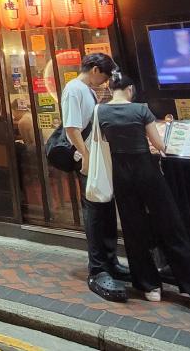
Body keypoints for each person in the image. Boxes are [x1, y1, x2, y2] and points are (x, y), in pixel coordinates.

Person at [97, 74, 190, 311]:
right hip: (147, 171)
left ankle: (149, 286)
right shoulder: (141, 109)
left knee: (133, 228)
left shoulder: (100, 111)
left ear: (110, 88)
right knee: (171, 226)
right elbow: (160, 145)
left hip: (120, 174)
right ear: (130, 89)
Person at [60, 52, 130, 302]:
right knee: (95, 213)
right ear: (94, 69)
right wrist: (86, 155)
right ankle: (98, 268)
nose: (105, 81)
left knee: (105, 210)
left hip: (98, 160)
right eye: (105, 76)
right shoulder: (74, 89)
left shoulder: (87, 90)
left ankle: (110, 261)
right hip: (89, 161)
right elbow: (71, 127)